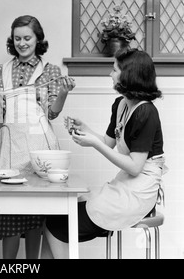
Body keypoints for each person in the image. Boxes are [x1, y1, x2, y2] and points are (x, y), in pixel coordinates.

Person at [0, 15, 75, 259]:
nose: (22, 43)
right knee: (11, 213)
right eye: (17, 38)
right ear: (11, 40)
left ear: (38, 39)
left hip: (40, 146)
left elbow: (52, 113)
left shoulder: (50, 71)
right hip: (11, 148)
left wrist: (64, 92)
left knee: (36, 214)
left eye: (27, 38)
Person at [42, 49, 167, 259]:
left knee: (56, 226)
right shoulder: (120, 104)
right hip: (124, 186)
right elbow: (109, 143)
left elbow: (135, 167)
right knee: (55, 220)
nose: (110, 74)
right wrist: (85, 130)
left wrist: (93, 143)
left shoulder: (146, 112)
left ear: (129, 74)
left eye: (114, 69)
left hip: (139, 192)